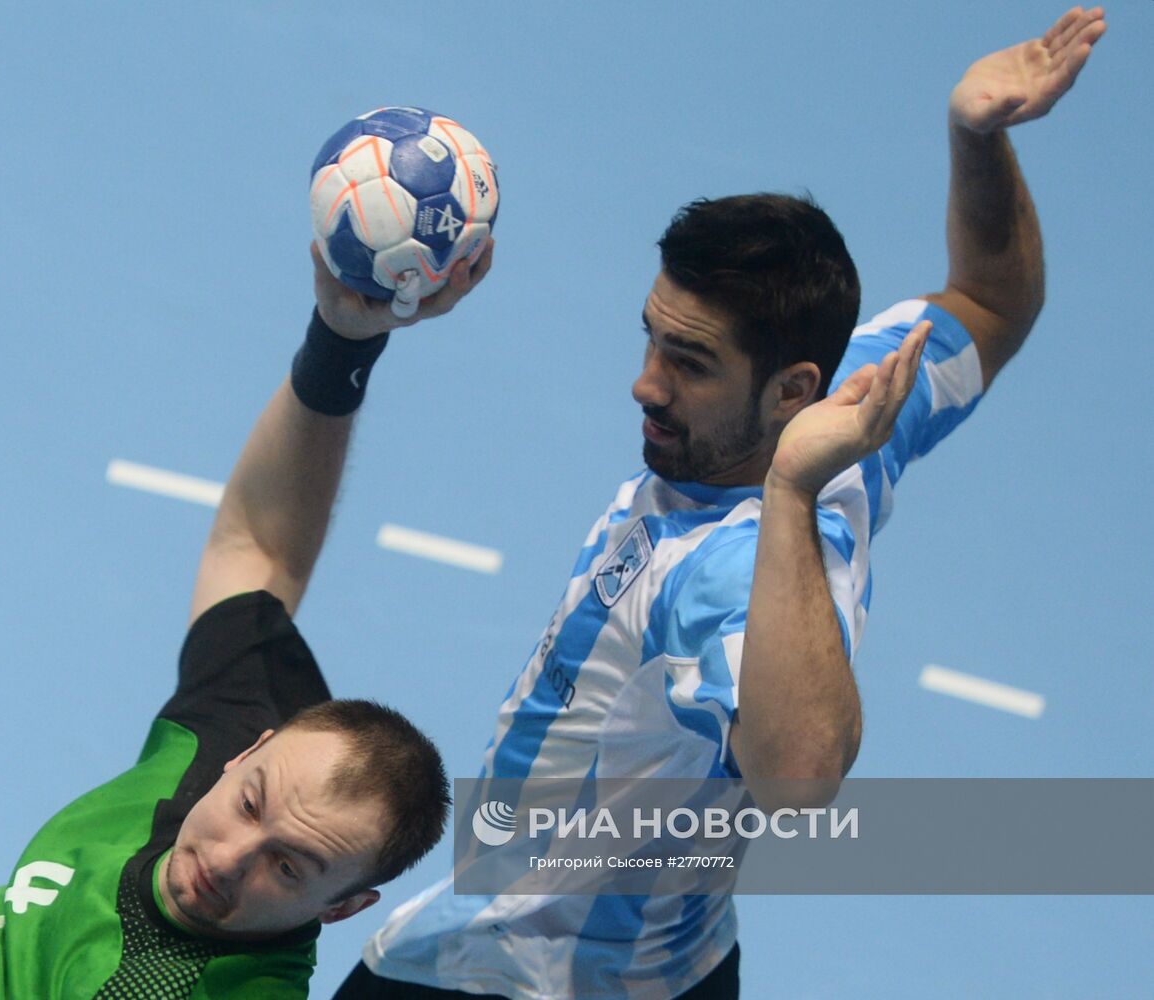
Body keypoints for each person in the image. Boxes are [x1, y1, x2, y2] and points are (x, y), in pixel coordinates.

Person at [340, 8, 1107, 999]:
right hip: (680, 961)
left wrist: (786, 493)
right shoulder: (860, 399)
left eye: (689, 363)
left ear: (790, 391)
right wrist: (976, 135)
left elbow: (800, 773)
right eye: (653, 338)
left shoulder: (725, 568)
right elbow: (993, 300)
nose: (644, 383)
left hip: (503, 976)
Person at [0, 243, 493, 998]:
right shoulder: (218, 746)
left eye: (289, 867)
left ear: (343, 909)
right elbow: (258, 550)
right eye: (249, 804)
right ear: (248, 752)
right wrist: (345, 340)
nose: (230, 858)